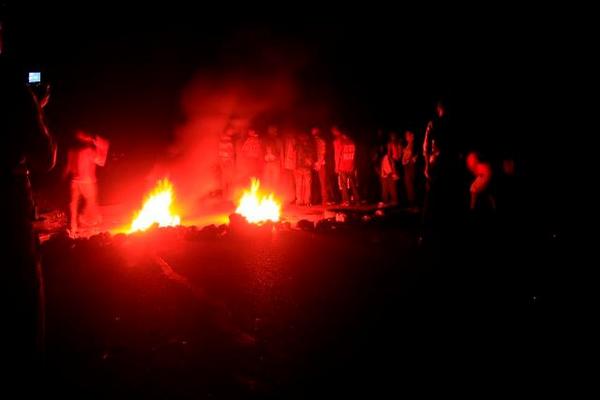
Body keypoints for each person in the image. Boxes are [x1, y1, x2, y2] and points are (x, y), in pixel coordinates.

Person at [1, 24, 57, 381]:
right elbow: (45, 156)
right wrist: (37, 107)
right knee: (23, 290)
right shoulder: (12, 91)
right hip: (5, 210)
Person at [64, 130, 109, 237]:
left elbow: (68, 167)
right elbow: (101, 161)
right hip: (86, 181)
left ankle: (74, 228)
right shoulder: (87, 151)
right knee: (89, 205)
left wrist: (64, 177)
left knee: (75, 206)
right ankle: (84, 229)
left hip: (77, 181)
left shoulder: (73, 151)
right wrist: (97, 142)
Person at [332, 126, 360, 206]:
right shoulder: (352, 142)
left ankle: (346, 201)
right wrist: (354, 165)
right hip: (351, 165)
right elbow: (355, 155)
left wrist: (336, 167)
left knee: (343, 185)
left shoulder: (339, 142)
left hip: (342, 166)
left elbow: (337, 155)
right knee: (353, 184)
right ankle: (357, 201)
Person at [311, 126, 333, 206]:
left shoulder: (321, 141)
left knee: (322, 183)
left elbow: (322, 153)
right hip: (316, 164)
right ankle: (318, 200)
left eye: (314, 132)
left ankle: (324, 200)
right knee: (319, 183)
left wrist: (319, 164)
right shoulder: (313, 142)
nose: (313, 134)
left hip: (320, 165)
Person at [379, 132, 401, 206]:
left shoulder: (394, 144)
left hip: (392, 163)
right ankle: (387, 200)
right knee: (387, 183)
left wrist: (392, 169)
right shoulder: (395, 144)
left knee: (391, 183)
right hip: (391, 162)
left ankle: (394, 200)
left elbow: (392, 156)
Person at [294, 132, 315, 206]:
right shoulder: (309, 146)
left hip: (302, 167)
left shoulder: (298, 145)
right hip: (303, 167)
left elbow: (295, 156)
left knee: (301, 184)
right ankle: (305, 201)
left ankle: (302, 201)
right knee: (305, 185)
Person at [262, 125, 283, 192]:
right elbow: (262, 150)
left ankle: (273, 195)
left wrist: (279, 161)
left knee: (275, 181)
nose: (274, 132)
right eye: (272, 130)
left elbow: (281, 152)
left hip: (275, 163)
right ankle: (268, 195)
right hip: (267, 163)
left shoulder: (278, 140)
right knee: (267, 180)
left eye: (274, 130)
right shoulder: (265, 140)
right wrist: (265, 157)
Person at [218, 127, 236, 199]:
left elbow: (232, 152)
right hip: (225, 160)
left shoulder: (229, 141)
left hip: (228, 160)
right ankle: (225, 196)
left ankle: (228, 196)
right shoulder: (225, 141)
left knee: (229, 179)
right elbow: (223, 152)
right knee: (225, 179)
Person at [402, 130, 418, 208]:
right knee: (408, 185)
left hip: (410, 167)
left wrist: (408, 159)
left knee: (410, 185)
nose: (406, 136)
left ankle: (413, 204)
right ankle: (411, 204)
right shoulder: (408, 145)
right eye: (406, 135)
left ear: (412, 136)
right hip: (407, 167)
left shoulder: (413, 145)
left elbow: (412, 157)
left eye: (408, 135)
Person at [282, 130, 297, 203]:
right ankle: (291, 198)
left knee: (294, 182)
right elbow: (284, 153)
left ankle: (295, 198)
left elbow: (294, 153)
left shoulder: (294, 141)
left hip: (293, 165)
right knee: (289, 182)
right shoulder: (285, 141)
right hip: (287, 165)